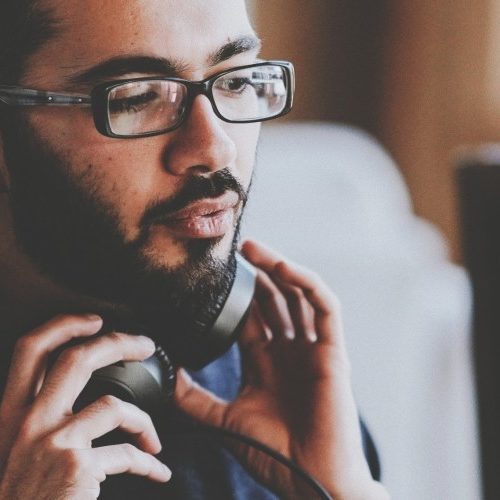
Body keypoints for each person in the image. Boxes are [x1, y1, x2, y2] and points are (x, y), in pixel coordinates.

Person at [0, 0, 390, 498]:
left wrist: (345, 491)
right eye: (135, 97)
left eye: (236, 81)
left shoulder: (269, 387)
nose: (215, 148)